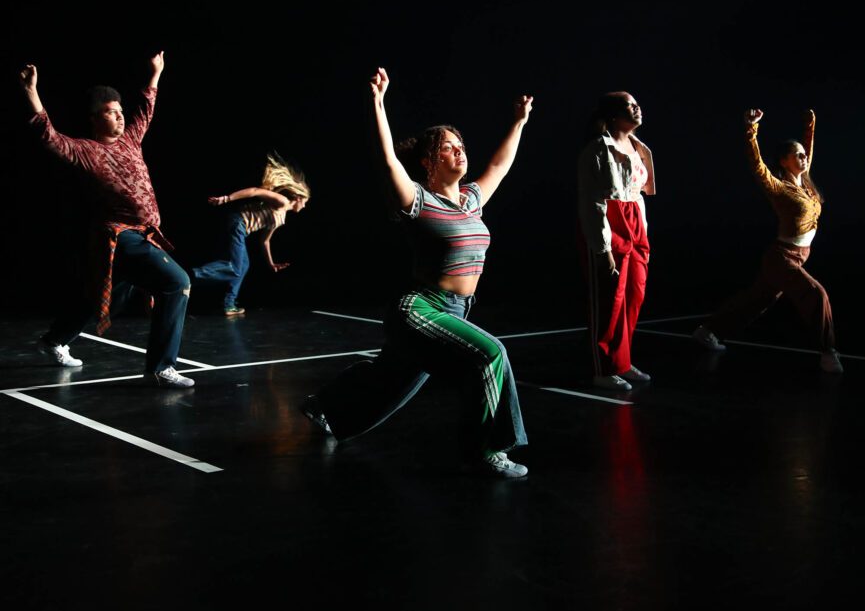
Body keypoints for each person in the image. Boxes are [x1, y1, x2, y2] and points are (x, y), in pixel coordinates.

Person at [301, 67, 532, 478]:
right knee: (491, 354)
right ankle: (487, 450)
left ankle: (325, 405)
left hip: (457, 309)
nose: (460, 151)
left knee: (395, 380)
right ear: (428, 162)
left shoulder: (471, 200)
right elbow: (386, 157)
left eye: (461, 145)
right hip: (421, 307)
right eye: (448, 148)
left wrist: (517, 122)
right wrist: (377, 103)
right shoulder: (416, 200)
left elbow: (500, 163)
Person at [19, 51, 194, 388]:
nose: (119, 117)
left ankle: (53, 341)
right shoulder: (86, 150)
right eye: (110, 113)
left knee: (104, 298)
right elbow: (49, 136)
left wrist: (155, 73)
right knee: (177, 282)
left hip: (143, 233)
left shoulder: (131, 141)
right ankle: (161, 368)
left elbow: (146, 108)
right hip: (119, 235)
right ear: (95, 119)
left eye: (119, 111)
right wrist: (31, 92)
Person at [693, 108, 843, 373]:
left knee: (755, 301)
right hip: (782, 258)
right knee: (816, 295)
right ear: (784, 161)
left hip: (796, 256)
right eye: (797, 154)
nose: (804, 156)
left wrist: (810, 126)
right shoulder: (778, 188)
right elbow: (757, 166)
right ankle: (828, 351)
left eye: (803, 153)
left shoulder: (806, 186)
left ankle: (708, 331)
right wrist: (751, 130)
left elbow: (809, 149)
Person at [577, 92, 656, 391]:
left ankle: (622, 362)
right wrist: (603, 247)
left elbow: (637, 194)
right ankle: (603, 368)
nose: (636, 107)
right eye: (628, 105)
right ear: (612, 115)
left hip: (635, 222)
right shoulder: (598, 149)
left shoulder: (638, 148)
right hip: (610, 222)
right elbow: (592, 202)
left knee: (634, 295)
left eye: (637, 102)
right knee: (610, 300)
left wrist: (642, 233)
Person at [190, 154, 310, 316]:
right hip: (238, 222)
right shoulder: (282, 201)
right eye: (305, 203)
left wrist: (271, 263)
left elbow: (265, 241)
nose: (304, 207)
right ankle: (191, 276)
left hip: (241, 230)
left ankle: (229, 304)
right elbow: (255, 191)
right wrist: (226, 199)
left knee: (243, 266)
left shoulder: (282, 219)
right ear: (298, 198)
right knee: (235, 268)